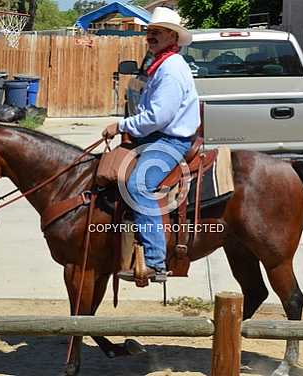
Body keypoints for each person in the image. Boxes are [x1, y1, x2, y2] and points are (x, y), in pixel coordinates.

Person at [102, 7, 200, 282]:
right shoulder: (162, 64)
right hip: (157, 137)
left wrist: (121, 126)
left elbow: (158, 117)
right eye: (149, 32)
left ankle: (155, 261)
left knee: (138, 185)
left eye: (156, 32)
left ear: (172, 36)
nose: (150, 37)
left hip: (170, 140)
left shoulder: (169, 69)